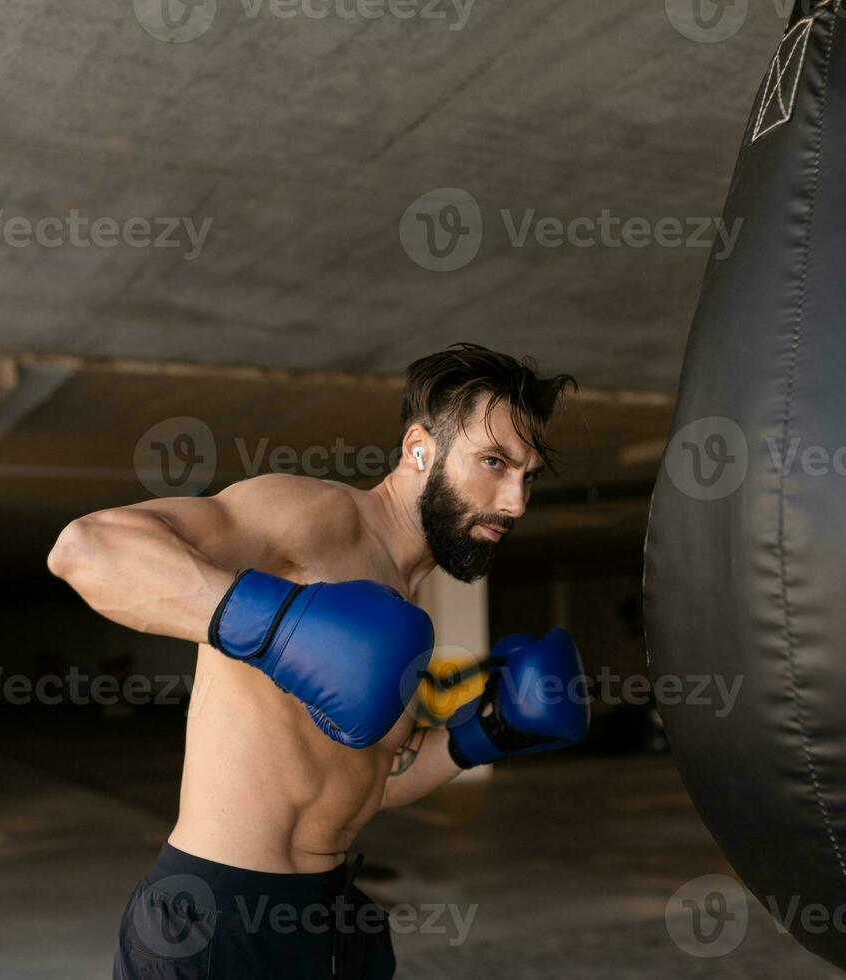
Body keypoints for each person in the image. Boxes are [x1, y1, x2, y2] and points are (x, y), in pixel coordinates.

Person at [47, 343, 589, 978]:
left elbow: (372, 779)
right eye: (493, 463)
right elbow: (85, 549)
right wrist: (276, 629)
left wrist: (485, 733)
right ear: (420, 447)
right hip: (216, 917)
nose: (515, 501)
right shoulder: (309, 516)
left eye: (527, 475)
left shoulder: (404, 604)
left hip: (332, 920)